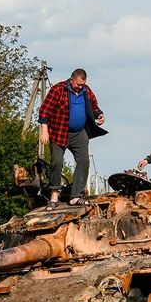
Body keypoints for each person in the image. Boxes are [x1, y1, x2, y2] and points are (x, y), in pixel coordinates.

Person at [38, 68, 107, 208]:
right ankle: (54, 195)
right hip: (59, 132)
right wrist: (44, 131)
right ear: (72, 80)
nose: (80, 87)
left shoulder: (86, 90)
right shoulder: (58, 89)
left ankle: (76, 196)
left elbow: (94, 106)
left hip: (79, 133)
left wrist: (99, 115)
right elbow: (44, 110)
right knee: (57, 162)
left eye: (82, 84)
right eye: (78, 84)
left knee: (84, 161)